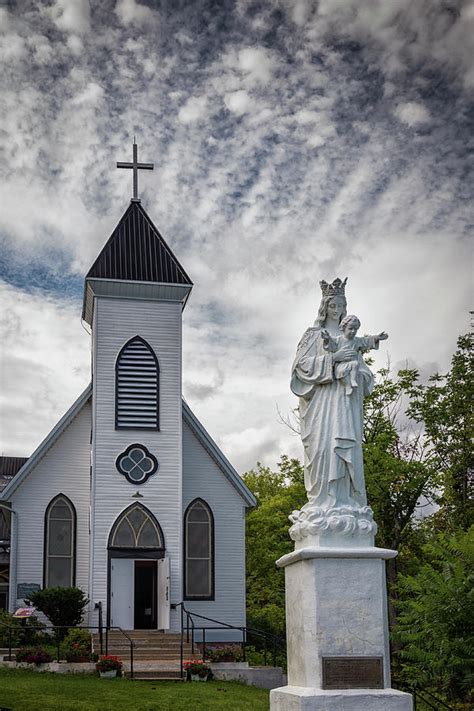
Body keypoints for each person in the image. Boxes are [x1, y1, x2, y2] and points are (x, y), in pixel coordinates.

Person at [290, 278, 382, 510]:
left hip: (344, 401)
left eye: (341, 306)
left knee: (345, 446)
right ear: (325, 307)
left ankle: (347, 502)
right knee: (323, 449)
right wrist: (333, 360)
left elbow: (363, 370)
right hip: (321, 402)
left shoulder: (351, 338)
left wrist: (361, 376)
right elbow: (300, 367)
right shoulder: (313, 335)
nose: (337, 310)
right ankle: (323, 503)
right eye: (333, 306)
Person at [321, 314, 388, 395]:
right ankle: (347, 385)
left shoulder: (356, 340)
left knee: (355, 365)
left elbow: (366, 341)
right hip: (341, 364)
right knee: (340, 372)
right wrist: (327, 339)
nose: (353, 331)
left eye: (355, 329)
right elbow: (331, 345)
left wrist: (377, 337)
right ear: (343, 328)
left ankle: (352, 380)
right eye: (350, 328)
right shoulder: (338, 340)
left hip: (353, 363)